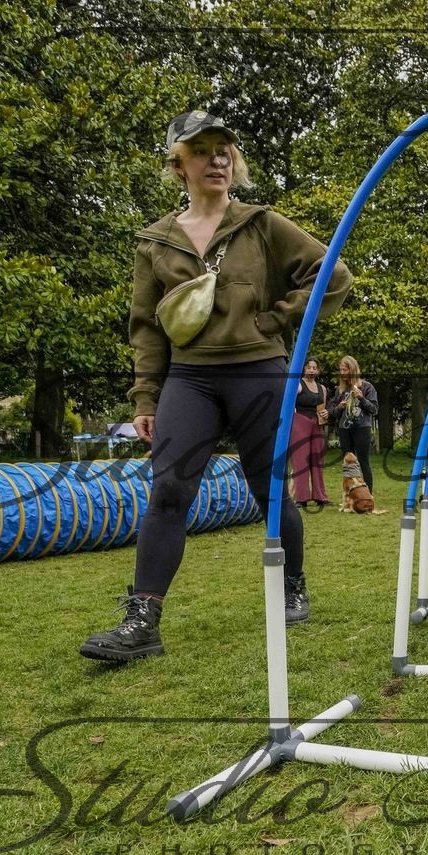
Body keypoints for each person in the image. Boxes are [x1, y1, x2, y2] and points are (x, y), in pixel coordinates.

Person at [80, 110, 352, 662]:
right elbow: (146, 327)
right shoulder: (154, 241)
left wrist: (275, 320)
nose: (218, 159)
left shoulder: (263, 223)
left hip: (259, 372)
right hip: (191, 379)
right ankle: (142, 622)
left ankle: (291, 586)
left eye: (224, 148)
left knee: (267, 492)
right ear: (178, 164)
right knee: (169, 491)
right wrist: (146, 397)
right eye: (202, 150)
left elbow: (334, 275)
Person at [333, 355, 379, 497]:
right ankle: (348, 494)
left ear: (352, 370)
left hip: (362, 428)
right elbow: (333, 412)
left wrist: (361, 397)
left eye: (345, 370)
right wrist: (339, 407)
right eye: (341, 370)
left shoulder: (367, 387)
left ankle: (368, 494)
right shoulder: (340, 390)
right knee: (348, 463)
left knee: (363, 461)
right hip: (345, 429)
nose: (342, 373)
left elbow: (374, 409)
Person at [291, 358, 331, 508]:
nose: (312, 370)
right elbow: (288, 404)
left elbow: (323, 406)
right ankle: (301, 498)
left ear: (318, 370)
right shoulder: (298, 385)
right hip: (300, 421)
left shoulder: (322, 388)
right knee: (301, 460)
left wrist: (326, 413)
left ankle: (320, 496)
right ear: (304, 369)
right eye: (309, 367)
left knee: (318, 460)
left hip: (317, 423)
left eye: (314, 368)